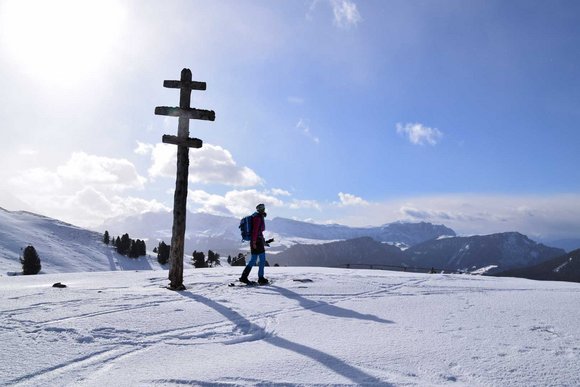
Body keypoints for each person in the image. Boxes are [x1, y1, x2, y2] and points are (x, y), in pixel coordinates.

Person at [239, 203, 273, 285]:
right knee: (262, 259)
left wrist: (262, 241)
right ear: (259, 209)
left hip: (255, 241)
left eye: (263, 207)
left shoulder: (257, 216)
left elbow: (258, 231)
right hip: (256, 241)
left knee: (253, 260)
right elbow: (255, 230)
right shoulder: (257, 218)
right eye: (262, 208)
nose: (263, 209)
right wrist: (254, 242)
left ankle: (244, 277)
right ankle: (260, 278)